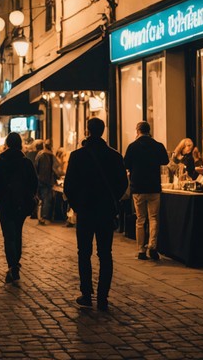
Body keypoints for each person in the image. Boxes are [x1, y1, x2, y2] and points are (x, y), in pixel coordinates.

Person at [64, 117, 128, 312]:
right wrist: (112, 200)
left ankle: (86, 294)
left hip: (85, 211)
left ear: (87, 131)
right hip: (105, 211)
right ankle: (103, 296)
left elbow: (69, 186)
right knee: (105, 254)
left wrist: (77, 205)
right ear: (103, 130)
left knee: (84, 253)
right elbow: (122, 184)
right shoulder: (114, 156)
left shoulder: (77, 156)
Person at [0, 132, 38, 284]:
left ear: (7, 143)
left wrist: (1, 195)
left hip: (6, 204)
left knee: (8, 236)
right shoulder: (26, 162)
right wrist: (27, 195)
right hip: (21, 204)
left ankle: (12, 265)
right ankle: (15, 263)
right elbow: (34, 183)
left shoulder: (1, 161)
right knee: (17, 233)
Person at [124, 121, 168, 261]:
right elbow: (165, 161)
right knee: (154, 218)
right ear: (149, 131)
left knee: (140, 219)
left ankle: (141, 250)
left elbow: (126, 164)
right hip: (154, 187)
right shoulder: (157, 145)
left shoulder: (132, 146)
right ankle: (152, 247)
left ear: (138, 131)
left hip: (138, 187)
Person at [35, 139, 60, 225]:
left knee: (41, 199)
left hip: (40, 180)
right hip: (47, 181)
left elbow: (36, 167)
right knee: (47, 199)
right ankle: (44, 217)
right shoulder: (51, 156)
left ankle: (40, 216)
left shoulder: (39, 155)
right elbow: (56, 169)